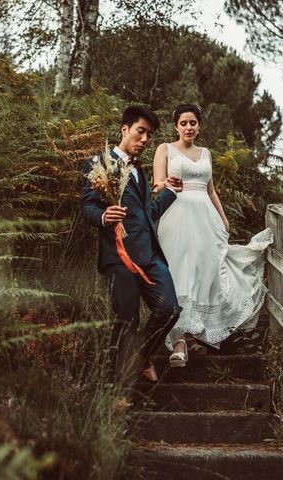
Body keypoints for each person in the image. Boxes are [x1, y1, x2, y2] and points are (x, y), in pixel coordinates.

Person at [152, 103, 272, 367]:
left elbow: (211, 190)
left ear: (199, 125)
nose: (188, 127)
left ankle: (199, 333)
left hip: (207, 220)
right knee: (180, 271)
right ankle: (180, 341)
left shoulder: (205, 152)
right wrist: (167, 184)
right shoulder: (166, 150)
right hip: (177, 216)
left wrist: (223, 217)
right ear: (176, 126)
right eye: (183, 123)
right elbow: (156, 183)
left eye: (193, 123)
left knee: (207, 271)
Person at [81, 105, 182, 386]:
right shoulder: (98, 164)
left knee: (170, 309)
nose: (145, 139)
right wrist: (102, 216)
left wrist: (171, 193)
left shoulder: (139, 173)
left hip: (150, 257)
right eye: (141, 131)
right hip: (118, 258)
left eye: (149, 135)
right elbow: (87, 206)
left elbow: (146, 214)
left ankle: (141, 357)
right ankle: (115, 387)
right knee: (127, 320)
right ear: (124, 130)